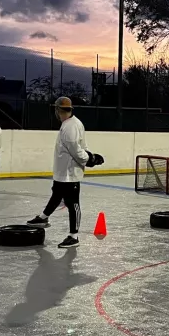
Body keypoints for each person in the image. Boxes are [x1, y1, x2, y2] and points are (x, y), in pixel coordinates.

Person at [27, 97, 102, 248]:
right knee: (56, 194)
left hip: (70, 173)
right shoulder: (69, 124)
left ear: (58, 110)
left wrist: (90, 159)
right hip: (63, 171)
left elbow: (76, 151)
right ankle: (44, 217)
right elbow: (81, 146)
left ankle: (74, 236)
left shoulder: (70, 127)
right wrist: (90, 157)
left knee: (73, 203)